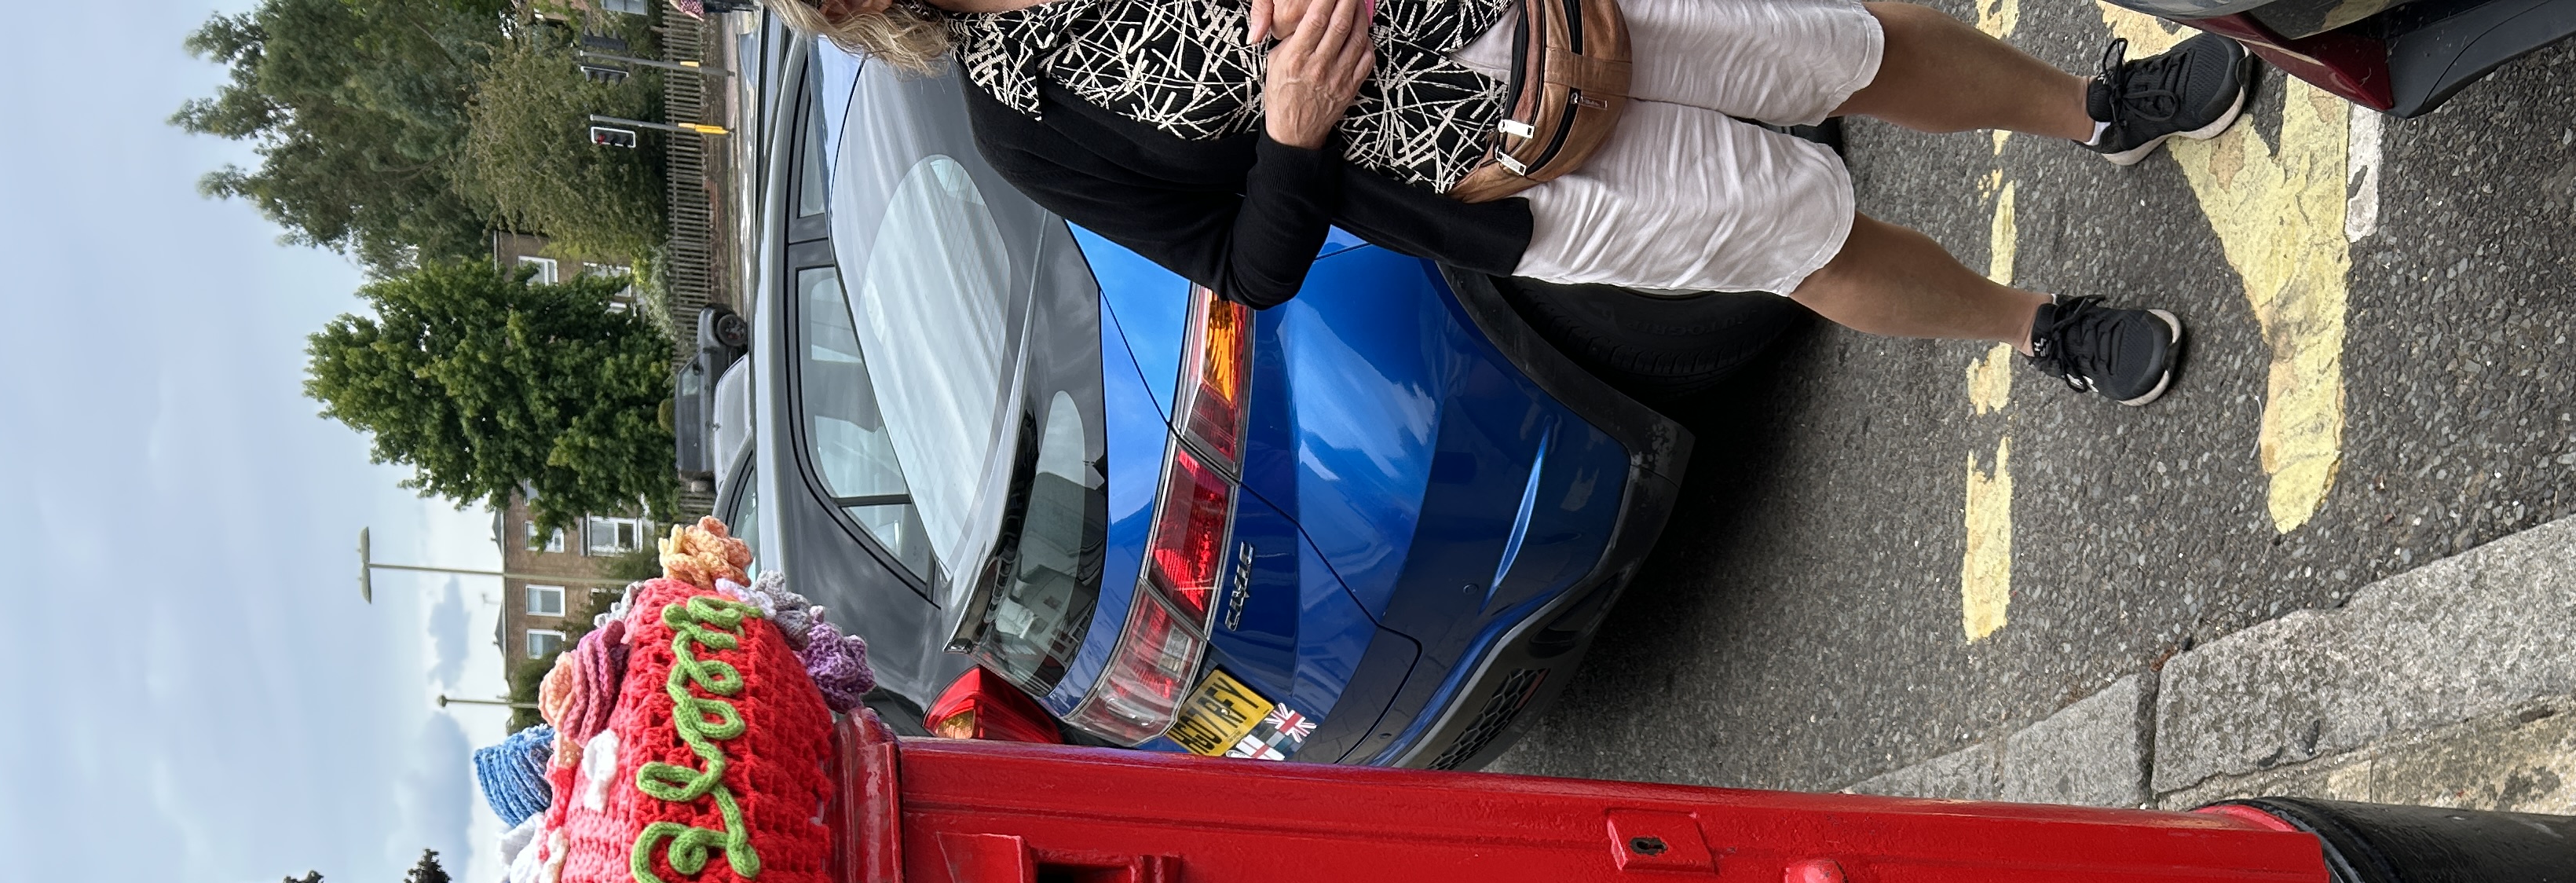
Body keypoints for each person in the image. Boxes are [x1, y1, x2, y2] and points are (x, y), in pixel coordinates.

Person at [769, 0, 2252, 406]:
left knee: (1843, 47)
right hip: (1495, 181)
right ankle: (2034, 324)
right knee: (1799, 236)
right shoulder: (1024, 119)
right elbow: (1247, 265)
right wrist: (1291, 133)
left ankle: (2098, 107)